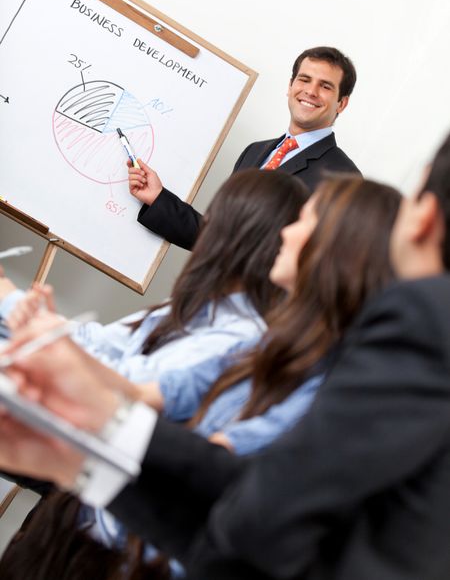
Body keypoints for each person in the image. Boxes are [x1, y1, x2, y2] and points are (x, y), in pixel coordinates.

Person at [2, 132, 450, 579]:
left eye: (305, 222)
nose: (287, 235)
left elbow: (251, 506)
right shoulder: (282, 343)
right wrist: (74, 452)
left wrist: (87, 412)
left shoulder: (389, 333)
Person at [0, 169, 309, 383]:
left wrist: (13, 303)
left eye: (218, 215)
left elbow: (117, 381)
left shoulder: (236, 335)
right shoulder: (202, 304)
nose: (206, 225)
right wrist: (17, 305)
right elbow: (103, 342)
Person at [129, 46, 361, 250]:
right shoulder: (254, 152)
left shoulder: (344, 181)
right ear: (290, 87)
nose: (310, 91)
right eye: (304, 79)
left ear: (342, 103)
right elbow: (215, 237)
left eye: (326, 86)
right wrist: (158, 197)